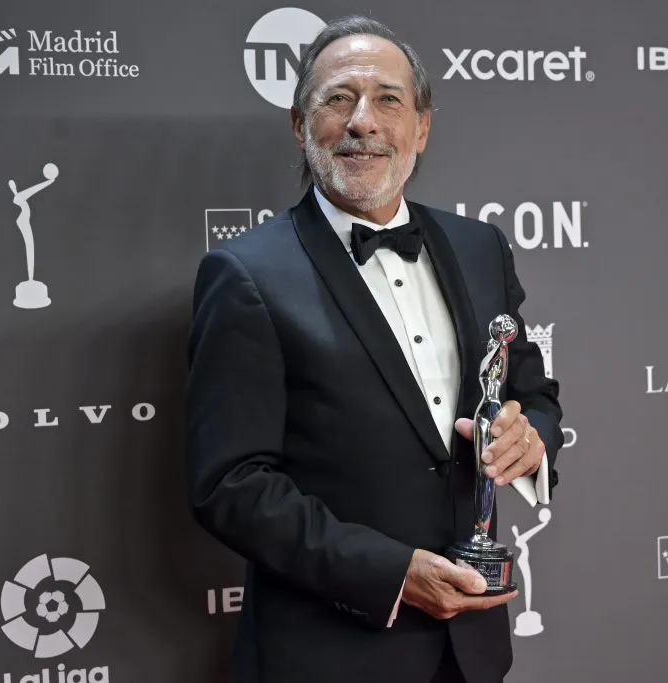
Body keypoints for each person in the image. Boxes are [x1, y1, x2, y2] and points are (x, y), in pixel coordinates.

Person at [185, 15, 564, 683]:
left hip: (472, 652)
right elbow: (230, 485)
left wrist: (528, 442)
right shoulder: (246, 274)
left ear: (421, 127)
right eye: (338, 98)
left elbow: (532, 394)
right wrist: (391, 573)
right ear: (301, 127)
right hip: (328, 655)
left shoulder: (480, 248)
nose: (363, 121)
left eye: (388, 99)